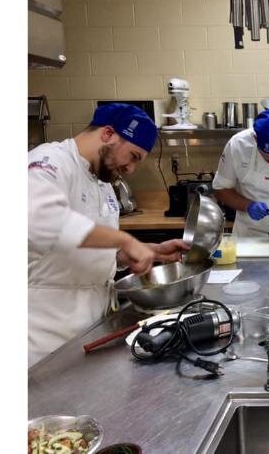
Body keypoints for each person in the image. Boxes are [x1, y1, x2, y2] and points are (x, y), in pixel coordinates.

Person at [28, 103, 190, 366]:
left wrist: (147, 250)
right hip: (44, 333)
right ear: (108, 134)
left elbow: (92, 246)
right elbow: (39, 219)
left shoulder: (101, 181)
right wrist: (125, 239)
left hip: (91, 325)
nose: (131, 169)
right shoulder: (49, 162)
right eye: (134, 156)